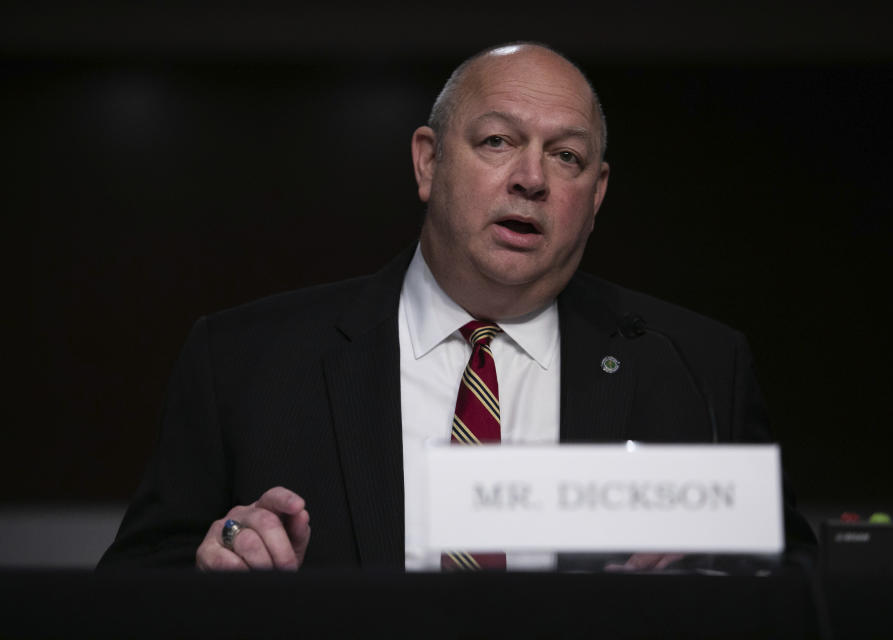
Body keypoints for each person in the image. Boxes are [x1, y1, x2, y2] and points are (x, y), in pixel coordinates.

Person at [99, 42, 816, 571]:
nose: (531, 178)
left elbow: (797, 585)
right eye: (498, 141)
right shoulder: (245, 360)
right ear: (428, 162)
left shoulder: (695, 367)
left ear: (594, 197)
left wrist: (721, 578)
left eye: (565, 157)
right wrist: (217, 556)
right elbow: (128, 585)